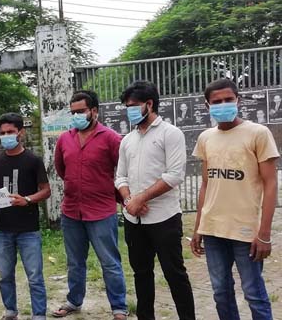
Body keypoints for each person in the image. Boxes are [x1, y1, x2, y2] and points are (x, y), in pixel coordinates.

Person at [190, 79, 279, 319]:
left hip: (245, 232)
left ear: (238, 100)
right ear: (207, 105)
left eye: (228, 99)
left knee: (254, 294)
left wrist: (264, 233)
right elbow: (206, 184)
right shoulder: (206, 137)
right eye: (216, 101)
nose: (223, 104)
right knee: (221, 292)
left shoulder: (258, 133)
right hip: (213, 230)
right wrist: (198, 227)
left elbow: (271, 184)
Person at [115, 81, 195, 320]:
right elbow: (120, 176)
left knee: (174, 274)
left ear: (149, 104)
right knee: (141, 273)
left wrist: (142, 198)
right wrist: (131, 201)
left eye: (133, 106)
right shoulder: (127, 140)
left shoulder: (170, 134)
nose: (129, 111)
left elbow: (174, 175)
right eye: (126, 107)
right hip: (134, 219)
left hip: (164, 218)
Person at [52, 91, 127, 319]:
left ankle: (119, 307)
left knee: (110, 262)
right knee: (75, 262)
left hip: (101, 212)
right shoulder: (65, 138)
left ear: (94, 111)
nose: (76, 115)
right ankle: (74, 301)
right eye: (73, 112)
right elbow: (61, 169)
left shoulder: (111, 138)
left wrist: (119, 197)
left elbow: (123, 172)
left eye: (81, 111)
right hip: (72, 211)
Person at [0, 112, 51, 320]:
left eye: (10, 132)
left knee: (34, 276)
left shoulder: (33, 160)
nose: (6, 136)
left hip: (28, 229)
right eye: (2, 133)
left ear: (21, 133)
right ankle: (10, 311)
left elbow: (46, 190)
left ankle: (39, 315)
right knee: (5, 275)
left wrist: (26, 199)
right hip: (2, 229)